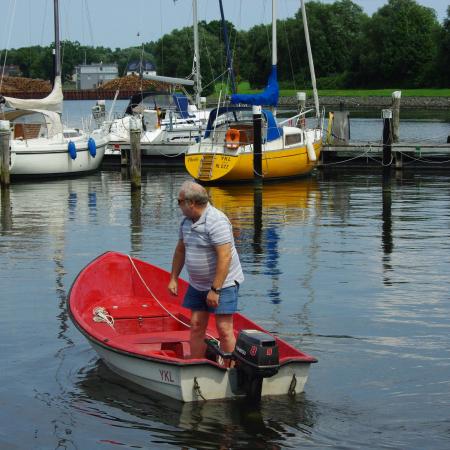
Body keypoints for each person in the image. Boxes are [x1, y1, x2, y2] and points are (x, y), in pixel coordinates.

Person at [168, 180, 244, 363]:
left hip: (223, 284)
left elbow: (225, 257)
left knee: (224, 329)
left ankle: (230, 369)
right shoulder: (186, 222)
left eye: (179, 201)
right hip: (197, 284)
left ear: (191, 203)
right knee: (195, 325)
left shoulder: (216, 221)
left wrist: (215, 289)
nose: (177, 205)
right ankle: (195, 366)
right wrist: (173, 278)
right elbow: (180, 250)